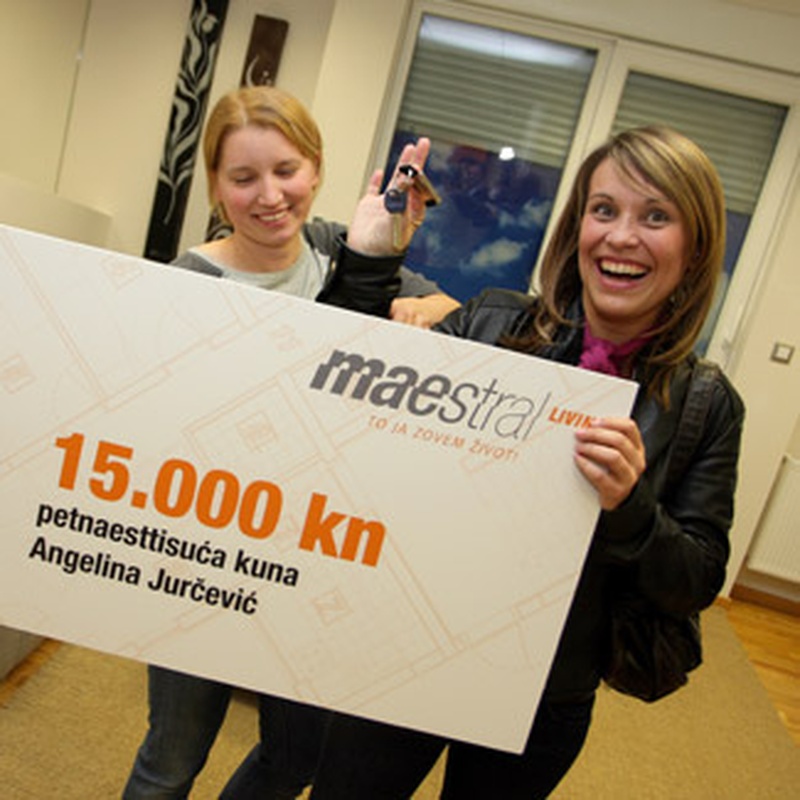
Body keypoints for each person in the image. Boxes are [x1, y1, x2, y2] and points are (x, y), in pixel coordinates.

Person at [304, 125, 746, 799]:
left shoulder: (705, 405)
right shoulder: (489, 327)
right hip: (411, 650)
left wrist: (629, 508)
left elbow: (697, 580)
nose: (621, 236)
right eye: (604, 210)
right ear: (577, 228)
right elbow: (335, 406)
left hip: (543, 700)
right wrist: (367, 261)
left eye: (655, 216)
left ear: (695, 248)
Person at [122, 84, 457, 800]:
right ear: (216, 187)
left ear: (316, 168)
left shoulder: (340, 249)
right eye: (244, 177)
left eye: (286, 170)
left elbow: (451, 307)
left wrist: (418, 305)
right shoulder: (187, 282)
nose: (270, 196)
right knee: (170, 760)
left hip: (314, 560)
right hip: (201, 549)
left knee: (295, 758)